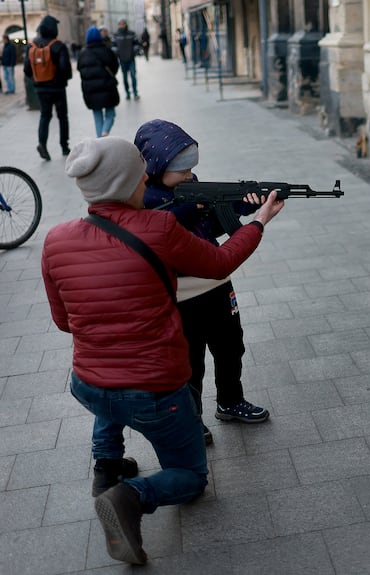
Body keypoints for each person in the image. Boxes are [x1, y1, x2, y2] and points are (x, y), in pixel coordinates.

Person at [41, 137, 284, 565]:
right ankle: (129, 496)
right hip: (155, 392)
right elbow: (218, 262)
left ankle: (107, 469)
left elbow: (64, 322)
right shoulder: (158, 228)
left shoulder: (56, 240)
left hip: (89, 386)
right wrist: (258, 221)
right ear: (130, 180)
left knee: (109, 390)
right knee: (191, 478)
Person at [134, 119, 270, 445]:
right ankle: (192, 418)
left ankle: (230, 400)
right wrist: (191, 210)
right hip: (181, 295)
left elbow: (212, 228)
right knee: (190, 361)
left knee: (230, 346)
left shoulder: (190, 187)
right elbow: (160, 230)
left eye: (191, 169)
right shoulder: (147, 200)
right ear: (155, 166)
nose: (189, 176)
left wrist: (239, 204)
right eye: (180, 170)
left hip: (217, 282)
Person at [23, 15, 72, 161]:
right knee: (62, 117)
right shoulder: (58, 46)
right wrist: (63, 79)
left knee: (45, 116)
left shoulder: (31, 46)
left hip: (40, 89)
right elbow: (65, 68)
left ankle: (42, 144)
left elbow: (26, 69)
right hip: (57, 88)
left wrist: (37, 79)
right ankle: (64, 146)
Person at [77, 26, 120, 137]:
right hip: (107, 87)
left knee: (97, 115)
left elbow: (80, 70)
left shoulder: (83, 53)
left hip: (91, 90)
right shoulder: (107, 50)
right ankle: (105, 131)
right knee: (110, 113)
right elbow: (115, 66)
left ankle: (100, 139)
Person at [112, 19, 139, 100]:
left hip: (131, 59)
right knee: (124, 78)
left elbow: (137, 44)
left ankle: (135, 92)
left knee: (133, 76)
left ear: (126, 24)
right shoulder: (116, 35)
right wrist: (118, 53)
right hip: (122, 60)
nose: (122, 25)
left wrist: (133, 52)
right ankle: (127, 93)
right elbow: (113, 46)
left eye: (123, 24)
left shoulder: (131, 33)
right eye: (120, 24)